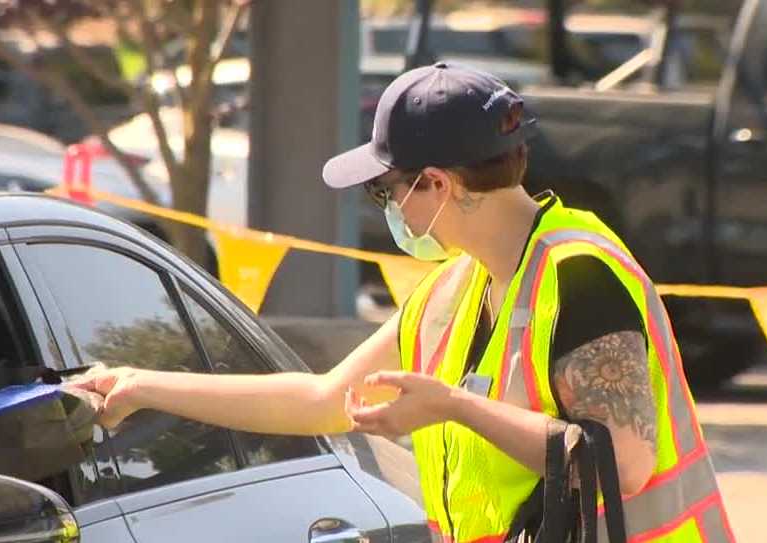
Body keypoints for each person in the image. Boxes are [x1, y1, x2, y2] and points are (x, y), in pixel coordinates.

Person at [69, 63, 733, 542]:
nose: (387, 210)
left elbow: (622, 462)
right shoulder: (456, 286)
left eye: (386, 192)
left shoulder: (581, 273)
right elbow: (323, 399)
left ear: (439, 184)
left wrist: (451, 406)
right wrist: (144, 386)